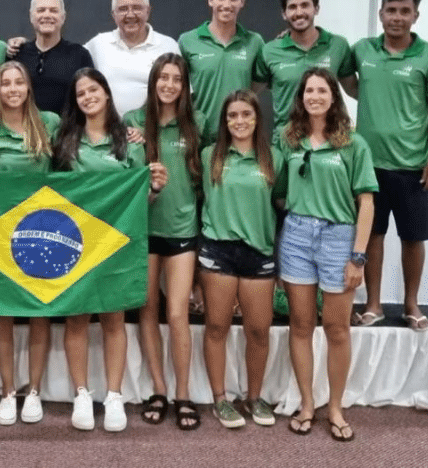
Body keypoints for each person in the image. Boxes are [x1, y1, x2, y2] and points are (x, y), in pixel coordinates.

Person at [52, 67, 168, 432]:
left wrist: (155, 187)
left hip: (116, 243)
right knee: (76, 318)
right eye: (81, 93)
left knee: (113, 319)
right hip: (75, 244)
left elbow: (141, 198)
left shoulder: (130, 140)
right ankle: (82, 394)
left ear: (106, 93)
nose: (88, 97)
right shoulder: (64, 141)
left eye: (94, 90)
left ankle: (114, 395)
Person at [277, 68, 377, 442]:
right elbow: (280, 192)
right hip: (297, 236)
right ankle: (306, 403)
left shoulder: (353, 143)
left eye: (322, 90)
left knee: (337, 328)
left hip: (339, 239)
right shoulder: (289, 140)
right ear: (301, 97)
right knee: (300, 326)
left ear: (334, 96)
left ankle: (335, 407)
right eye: (308, 90)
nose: (314, 96)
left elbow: (366, 203)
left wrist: (358, 256)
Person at [350, 0, 428, 331]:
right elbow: (349, 82)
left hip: (414, 167)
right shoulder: (362, 50)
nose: (396, 17)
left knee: (414, 238)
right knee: (372, 237)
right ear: (380, 14)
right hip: (368, 167)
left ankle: (411, 304)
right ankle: (374, 304)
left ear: (415, 16)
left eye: (404, 11)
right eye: (390, 10)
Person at [0, 60, 60, 425]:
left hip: (42, 232)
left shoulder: (50, 124)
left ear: (28, 88)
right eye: (5, 83)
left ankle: (34, 390)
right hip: (2, 237)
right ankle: (8, 392)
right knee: (4, 313)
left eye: (18, 82)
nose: (12, 89)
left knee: (40, 312)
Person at [123, 53, 203, 430]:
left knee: (177, 314)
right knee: (148, 312)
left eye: (176, 79)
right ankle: (158, 389)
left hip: (183, 230)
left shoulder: (196, 125)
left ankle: (183, 393)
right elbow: (120, 175)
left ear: (184, 85)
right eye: (163, 78)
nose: (169, 85)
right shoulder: (133, 123)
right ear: (153, 81)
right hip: (143, 230)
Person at [198, 89, 283, 430]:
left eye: (246, 114)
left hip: (259, 253)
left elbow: (280, 201)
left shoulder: (273, 157)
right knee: (217, 327)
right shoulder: (209, 156)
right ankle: (220, 398)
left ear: (257, 118)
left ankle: (254, 396)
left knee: (259, 331)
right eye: (232, 116)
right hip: (218, 250)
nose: (239, 121)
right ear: (225, 121)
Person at [252, 0, 357, 143]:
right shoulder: (270, 51)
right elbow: (250, 92)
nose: (299, 12)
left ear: (316, 9)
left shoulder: (338, 45)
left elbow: (353, 89)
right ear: (284, 13)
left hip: (328, 142)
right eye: (292, 7)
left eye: (305, 5)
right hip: (285, 142)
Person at [178, 0, 264, 143]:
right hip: (198, 137)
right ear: (211, 0)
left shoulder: (254, 42)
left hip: (238, 137)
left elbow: (257, 83)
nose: (227, 4)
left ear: (242, 2)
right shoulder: (187, 41)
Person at [85, 0, 180, 116]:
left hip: (151, 131)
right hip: (107, 133)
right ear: (114, 15)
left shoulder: (168, 46)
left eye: (137, 8)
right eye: (123, 9)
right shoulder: (97, 44)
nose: (130, 15)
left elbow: (182, 93)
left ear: (148, 11)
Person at [15, 0, 94, 114]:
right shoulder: (17, 54)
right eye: (41, 10)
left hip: (67, 132)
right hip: (24, 132)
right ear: (31, 16)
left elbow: (91, 100)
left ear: (63, 17)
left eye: (53, 10)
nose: (47, 15)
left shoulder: (79, 56)